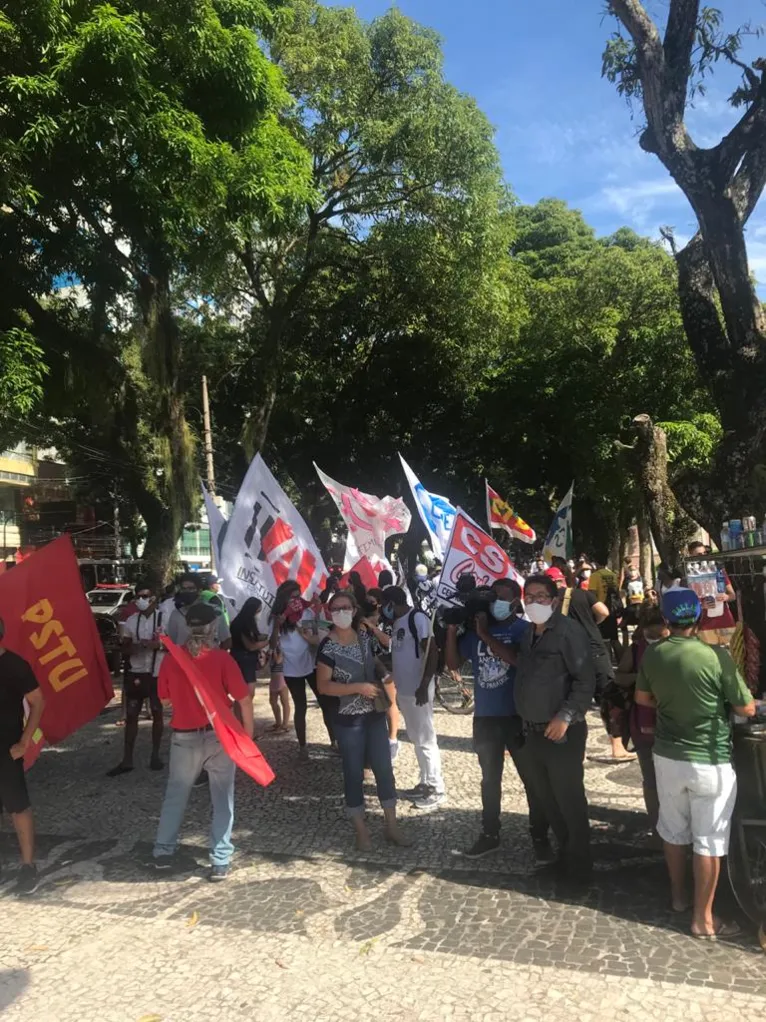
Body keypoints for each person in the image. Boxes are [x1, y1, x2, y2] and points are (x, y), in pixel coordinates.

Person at [635, 588, 757, 938]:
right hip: (710, 759)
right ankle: (704, 919)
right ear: (698, 618)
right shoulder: (716, 656)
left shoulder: (654, 654)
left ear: (667, 618)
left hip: (667, 757)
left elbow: (643, 698)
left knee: (673, 830)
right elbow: (745, 708)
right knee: (709, 841)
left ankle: (678, 898)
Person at [444, 579, 553, 861]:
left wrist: (485, 636)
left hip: (517, 716)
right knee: (489, 780)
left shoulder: (523, 630)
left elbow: (519, 661)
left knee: (532, 779)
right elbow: (454, 664)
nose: (496, 604)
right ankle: (490, 833)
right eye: (493, 598)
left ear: (516, 602)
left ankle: (540, 835)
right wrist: (453, 630)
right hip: (486, 718)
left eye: (502, 598)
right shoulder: (480, 631)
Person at [153, 603, 254, 880]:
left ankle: (163, 852)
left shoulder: (172, 659)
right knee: (223, 799)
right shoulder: (222, 659)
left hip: (184, 737)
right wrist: (247, 737)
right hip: (219, 736)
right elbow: (244, 700)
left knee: (176, 796)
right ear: (213, 628)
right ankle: (220, 860)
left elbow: (164, 700)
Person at [514, 574, 597, 881]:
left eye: (540, 596)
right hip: (533, 732)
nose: (534, 602)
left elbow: (584, 680)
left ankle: (579, 871)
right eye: (529, 596)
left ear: (553, 598)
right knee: (547, 800)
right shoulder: (528, 634)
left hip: (562, 733)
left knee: (569, 802)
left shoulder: (567, 632)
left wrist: (565, 716)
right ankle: (564, 858)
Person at [316, 591, 409, 850]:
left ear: (354, 609)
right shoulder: (328, 645)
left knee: (384, 770)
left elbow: (377, 658)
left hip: (374, 716)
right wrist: (356, 687)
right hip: (348, 720)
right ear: (329, 612)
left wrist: (384, 673)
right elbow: (323, 686)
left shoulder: (365, 637)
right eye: (336, 608)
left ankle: (391, 826)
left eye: (346, 607)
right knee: (353, 773)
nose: (341, 612)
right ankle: (361, 832)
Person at [381, 586, 445, 810]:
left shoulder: (416, 618)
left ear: (391, 603)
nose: (383, 609)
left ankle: (436, 787)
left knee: (426, 738)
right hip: (406, 689)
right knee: (417, 738)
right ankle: (425, 781)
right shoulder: (397, 622)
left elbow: (432, 650)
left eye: (384, 604)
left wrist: (425, 683)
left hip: (419, 689)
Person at [0, 618, 45, 895]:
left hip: (7, 748)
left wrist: (25, 740)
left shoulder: (15, 665)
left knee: (18, 807)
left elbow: (38, 701)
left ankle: (28, 866)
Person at [107, 581, 165, 777]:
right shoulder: (131, 621)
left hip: (157, 672)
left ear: (154, 598)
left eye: (145, 596)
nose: (141, 600)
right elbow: (123, 647)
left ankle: (155, 755)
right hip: (136, 671)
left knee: (157, 712)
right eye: (138, 596)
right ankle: (127, 759)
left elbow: (175, 644)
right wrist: (133, 648)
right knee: (132, 715)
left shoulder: (164, 619)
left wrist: (159, 646)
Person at [271, 580, 335, 757]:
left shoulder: (306, 612)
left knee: (325, 703)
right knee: (301, 706)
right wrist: (278, 624)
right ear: (284, 598)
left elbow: (314, 637)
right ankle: (302, 746)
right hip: (291, 668)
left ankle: (334, 741)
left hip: (311, 663)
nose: (297, 600)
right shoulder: (277, 616)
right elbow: (272, 642)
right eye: (293, 597)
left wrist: (307, 632)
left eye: (299, 596)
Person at [687, 540, 737, 647]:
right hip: (705, 626)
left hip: (726, 623)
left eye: (705, 553)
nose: (703, 556)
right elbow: (686, 607)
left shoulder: (718, 572)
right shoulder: (689, 577)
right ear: (691, 556)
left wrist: (726, 597)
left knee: (729, 659)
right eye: (699, 555)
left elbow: (733, 595)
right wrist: (701, 606)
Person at [166, 574, 231, 650]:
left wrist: (217, 658)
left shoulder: (215, 612)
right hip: (184, 660)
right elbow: (171, 643)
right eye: (184, 589)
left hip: (209, 659)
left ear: (199, 590)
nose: (187, 592)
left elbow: (227, 641)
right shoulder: (176, 614)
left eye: (191, 588)